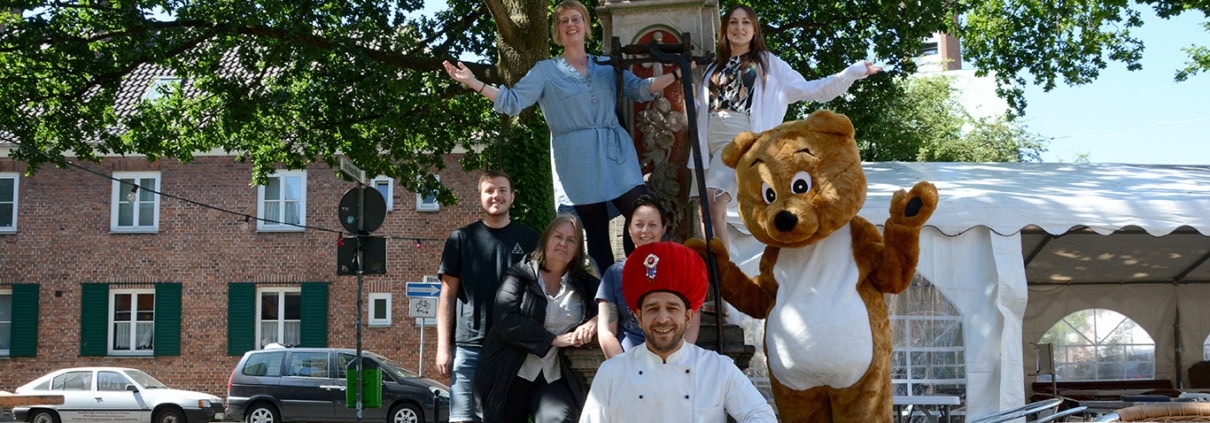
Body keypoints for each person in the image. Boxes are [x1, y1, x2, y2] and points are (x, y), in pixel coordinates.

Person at [441, 0, 682, 273]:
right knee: (597, 234)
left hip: (615, 151)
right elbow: (512, 101)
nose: (571, 24)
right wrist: (474, 82)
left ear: (586, 25)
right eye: (563, 20)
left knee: (642, 211)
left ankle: (645, 277)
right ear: (557, 30)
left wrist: (678, 73)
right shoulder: (546, 71)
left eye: (576, 18)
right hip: (576, 157)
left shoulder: (605, 64)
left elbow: (639, 89)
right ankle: (608, 302)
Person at [690, 5, 882, 249]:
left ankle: (722, 269)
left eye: (746, 23)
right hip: (706, 140)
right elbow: (703, 107)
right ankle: (714, 267)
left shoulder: (771, 65)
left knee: (713, 200)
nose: (739, 28)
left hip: (739, 138)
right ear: (725, 29)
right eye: (733, 23)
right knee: (703, 210)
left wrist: (852, 73)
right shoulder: (713, 67)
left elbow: (814, 89)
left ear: (755, 30)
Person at [579, 242, 777, 422]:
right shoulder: (612, 372)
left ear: (688, 318)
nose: (663, 318)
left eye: (672, 308)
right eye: (653, 309)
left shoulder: (717, 368)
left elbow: (760, 414)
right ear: (639, 318)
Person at [474, 214, 600, 422]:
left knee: (558, 419)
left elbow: (611, 306)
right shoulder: (520, 275)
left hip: (554, 376)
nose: (563, 243)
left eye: (571, 240)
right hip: (510, 372)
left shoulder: (585, 283)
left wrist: (594, 322)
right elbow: (506, 318)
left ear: (578, 249)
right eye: (558, 237)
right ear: (546, 239)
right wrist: (552, 339)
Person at [437, 170, 540, 423]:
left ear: (512, 197)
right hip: (469, 348)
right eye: (490, 191)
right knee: (463, 419)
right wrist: (442, 347)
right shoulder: (461, 239)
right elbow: (447, 297)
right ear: (481, 197)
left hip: (513, 349)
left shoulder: (530, 239)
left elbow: (541, 293)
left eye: (502, 190)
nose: (496, 196)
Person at [596, 195, 700, 358]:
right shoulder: (614, 274)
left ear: (663, 228)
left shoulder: (681, 269)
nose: (645, 231)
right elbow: (606, 330)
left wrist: (676, 360)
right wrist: (622, 367)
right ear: (629, 229)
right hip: (630, 362)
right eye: (639, 225)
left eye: (652, 225)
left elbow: (693, 320)